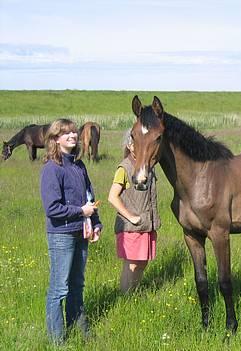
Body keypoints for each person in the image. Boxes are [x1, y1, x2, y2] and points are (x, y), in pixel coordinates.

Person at [40, 118, 102, 344]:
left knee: (77, 285)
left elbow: (90, 198)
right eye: (66, 133)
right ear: (55, 139)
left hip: (81, 233)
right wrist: (81, 211)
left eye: (74, 132)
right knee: (59, 289)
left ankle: (81, 332)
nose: (73, 136)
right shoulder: (52, 169)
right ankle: (57, 341)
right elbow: (52, 208)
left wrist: (95, 223)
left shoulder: (78, 165)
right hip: (61, 235)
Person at [108, 129, 160, 293]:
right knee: (131, 264)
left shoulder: (147, 166)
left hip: (146, 225)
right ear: (130, 146)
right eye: (136, 144)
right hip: (132, 227)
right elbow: (112, 196)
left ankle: (133, 293)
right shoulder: (124, 168)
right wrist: (131, 217)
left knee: (142, 262)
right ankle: (125, 297)